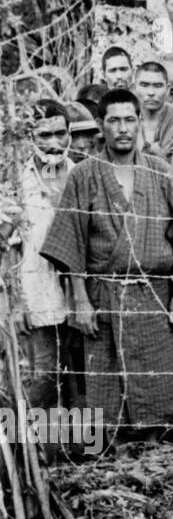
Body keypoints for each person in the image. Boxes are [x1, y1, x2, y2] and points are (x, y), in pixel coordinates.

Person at [41, 90, 173, 443]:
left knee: (155, 379)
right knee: (106, 378)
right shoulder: (84, 175)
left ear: (139, 123)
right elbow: (71, 239)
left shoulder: (160, 171)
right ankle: (115, 451)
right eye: (114, 120)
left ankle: (152, 449)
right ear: (102, 126)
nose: (122, 128)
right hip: (104, 295)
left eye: (129, 119)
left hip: (154, 294)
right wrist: (81, 300)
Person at [13, 101, 73, 408]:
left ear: (70, 133)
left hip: (81, 293)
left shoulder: (80, 174)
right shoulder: (17, 182)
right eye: (44, 134)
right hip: (38, 292)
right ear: (30, 138)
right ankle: (35, 447)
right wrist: (16, 302)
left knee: (77, 372)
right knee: (46, 371)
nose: (53, 143)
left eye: (60, 133)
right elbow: (10, 248)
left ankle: (79, 449)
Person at [133, 61, 173, 159]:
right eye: (144, 85)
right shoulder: (125, 119)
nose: (151, 92)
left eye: (157, 86)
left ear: (167, 89)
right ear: (134, 88)